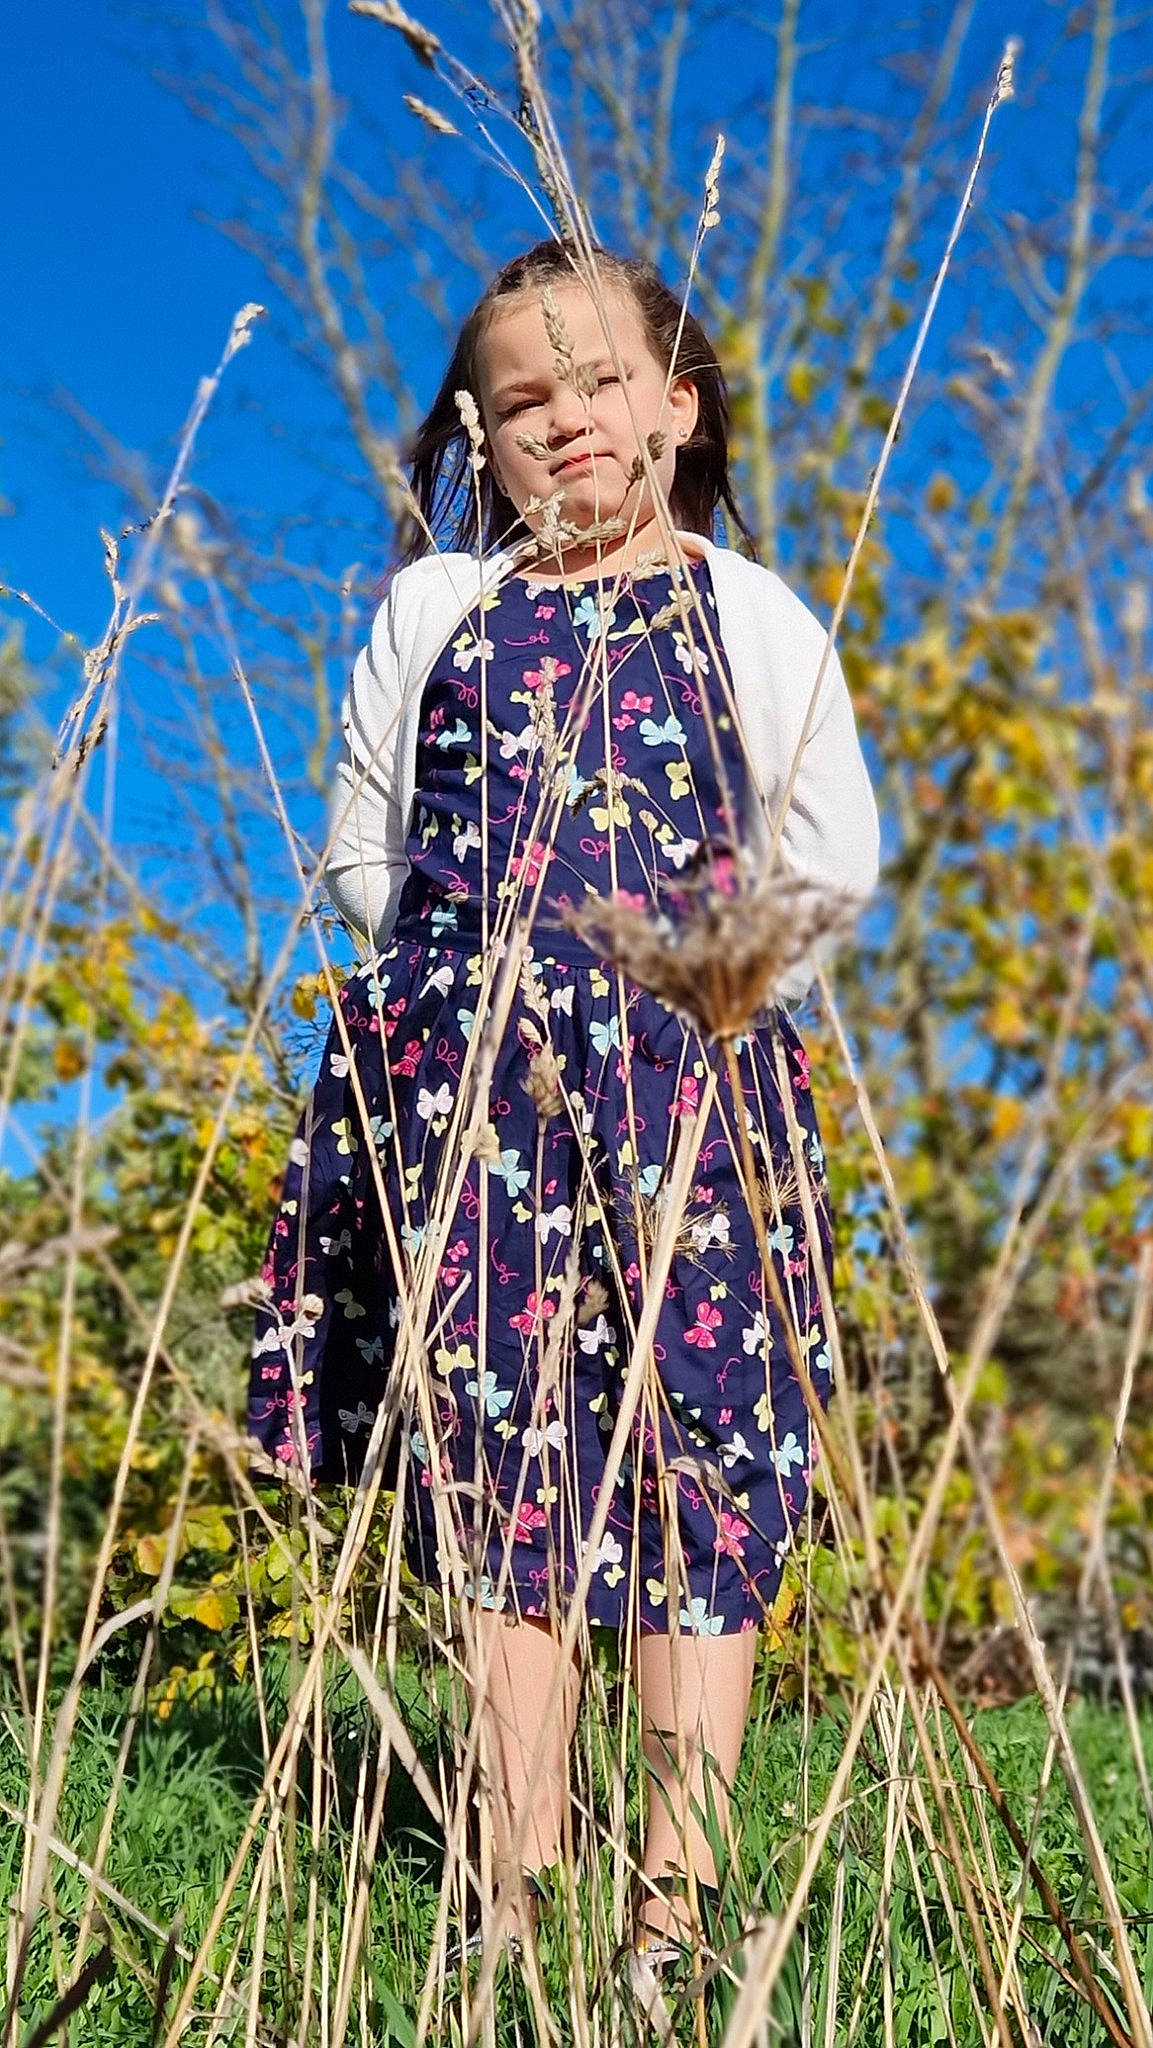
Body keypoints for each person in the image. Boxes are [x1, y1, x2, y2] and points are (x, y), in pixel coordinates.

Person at [247, 239, 879, 1974]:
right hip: (471, 1104)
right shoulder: (434, 607)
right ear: (480, 438)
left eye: (601, 384)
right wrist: (470, 1005)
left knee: (697, 1464)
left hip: (699, 1092)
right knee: (503, 1475)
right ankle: (505, 1895)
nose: (567, 422)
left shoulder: (747, 609)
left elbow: (830, 857)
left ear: (678, 408)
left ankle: (672, 1908)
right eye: (522, 401)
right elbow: (366, 845)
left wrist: (693, 1006)